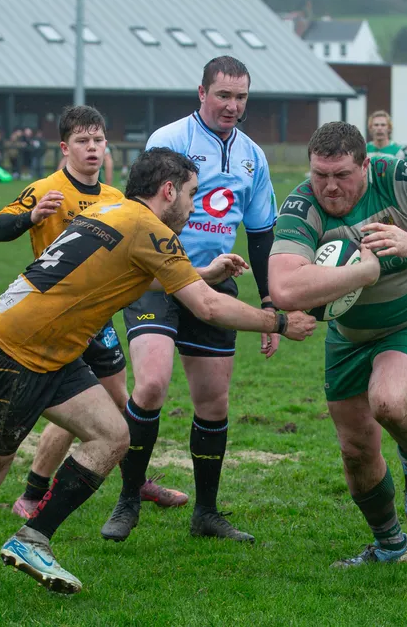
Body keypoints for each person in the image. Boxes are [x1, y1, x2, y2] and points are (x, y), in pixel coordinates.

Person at [0, 148, 316, 594]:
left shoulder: (114, 211)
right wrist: (279, 321)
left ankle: (33, 538)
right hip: (7, 353)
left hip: (53, 353)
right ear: (168, 191)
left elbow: (130, 274)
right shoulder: (148, 227)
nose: (193, 205)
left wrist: (200, 272)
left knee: (113, 436)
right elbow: (206, 308)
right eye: (190, 194)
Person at [269, 121, 407, 566]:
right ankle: (390, 546)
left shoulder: (399, 177)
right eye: (320, 175)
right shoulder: (302, 205)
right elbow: (284, 289)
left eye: (341, 175)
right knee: (355, 450)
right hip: (349, 336)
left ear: (366, 165)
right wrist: (362, 272)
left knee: (390, 402)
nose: (329, 187)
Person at [100, 56, 280, 544]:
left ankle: (206, 513)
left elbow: (262, 234)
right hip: (156, 278)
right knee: (152, 385)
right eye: (223, 95)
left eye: (241, 97)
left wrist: (269, 302)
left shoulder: (253, 157)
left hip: (216, 284)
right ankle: (129, 497)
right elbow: (142, 214)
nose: (232, 105)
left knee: (213, 402)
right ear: (201, 93)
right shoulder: (170, 139)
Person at [0, 106, 130, 519]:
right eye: (83, 141)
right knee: (81, 405)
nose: (92, 148)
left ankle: (128, 485)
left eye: (98, 140)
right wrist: (31, 216)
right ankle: (44, 493)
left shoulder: (115, 198)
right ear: (65, 147)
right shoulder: (46, 188)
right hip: (53, 319)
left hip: (98, 318)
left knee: (115, 402)